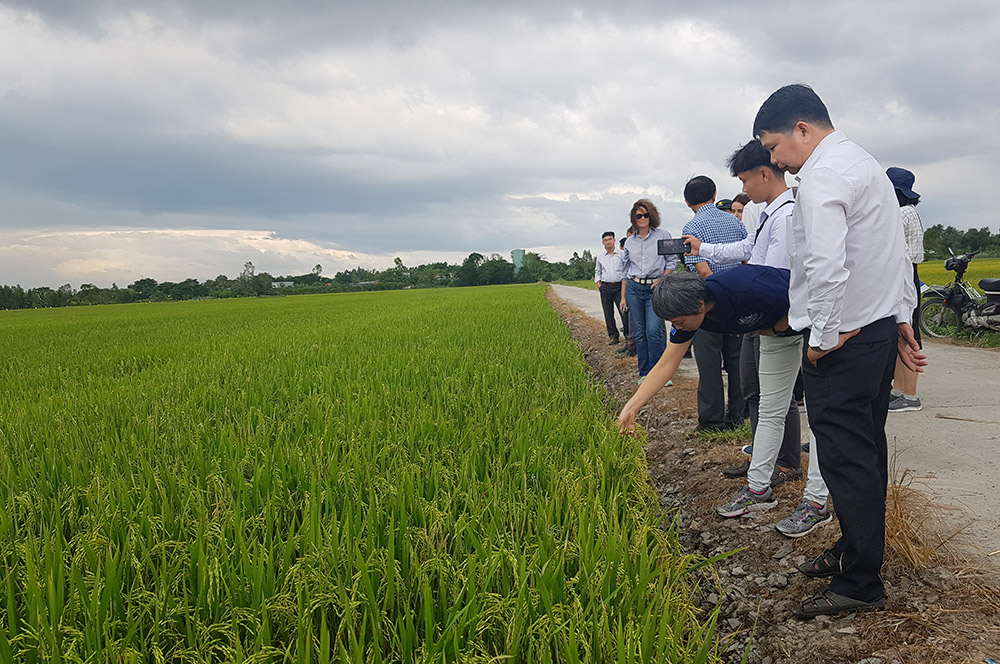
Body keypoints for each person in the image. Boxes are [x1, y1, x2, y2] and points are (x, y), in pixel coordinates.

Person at [753, 84, 924, 619]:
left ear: (802, 130)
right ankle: (857, 549)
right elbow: (893, 253)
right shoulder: (865, 163)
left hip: (843, 343)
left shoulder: (824, 175)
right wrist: (900, 318)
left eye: (775, 146)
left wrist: (823, 340)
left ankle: (860, 584)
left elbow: (826, 267)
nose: (775, 159)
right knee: (864, 451)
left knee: (847, 459)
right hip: (873, 333)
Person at [685, 140, 829, 533]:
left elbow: (778, 280)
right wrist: (706, 248)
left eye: (746, 179)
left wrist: (756, 317)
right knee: (770, 406)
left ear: (765, 174)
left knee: (815, 413)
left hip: (792, 322)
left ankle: (816, 499)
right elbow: (750, 249)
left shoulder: (786, 217)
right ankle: (758, 487)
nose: (744, 189)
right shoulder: (770, 213)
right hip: (774, 323)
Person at [617, 266, 797, 440]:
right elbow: (665, 365)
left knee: (801, 403)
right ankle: (775, 463)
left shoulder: (744, 288)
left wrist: (779, 327)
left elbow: (803, 299)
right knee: (764, 400)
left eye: (679, 321)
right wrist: (631, 408)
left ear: (700, 304)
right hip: (777, 336)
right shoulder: (690, 313)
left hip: (812, 324)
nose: (678, 327)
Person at [682, 176, 748, 431]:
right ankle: (737, 415)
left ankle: (712, 421)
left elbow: (702, 271)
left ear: (687, 201)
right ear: (714, 194)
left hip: (708, 303)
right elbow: (746, 261)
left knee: (709, 363)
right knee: (737, 361)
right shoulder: (735, 221)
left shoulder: (691, 227)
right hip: (739, 299)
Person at [619, 200, 678, 383]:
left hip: (655, 287)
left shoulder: (663, 235)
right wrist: (623, 296)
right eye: (639, 216)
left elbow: (672, 261)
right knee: (640, 332)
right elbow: (625, 270)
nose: (643, 218)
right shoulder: (629, 241)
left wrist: (662, 278)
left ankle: (659, 374)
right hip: (635, 288)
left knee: (654, 330)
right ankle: (644, 373)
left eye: (646, 215)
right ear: (634, 219)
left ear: (651, 216)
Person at [886, 167, 925, 412]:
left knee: (909, 333)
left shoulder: (901, 213)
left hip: (904, 272)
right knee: (902, 333)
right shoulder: (909, 211)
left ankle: (909, 394)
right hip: (905, 271)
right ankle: (899, 390)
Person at [594, 231, 629, 345]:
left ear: (614, 240)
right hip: (605, 287)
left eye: (610, 239)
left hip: (619, 287)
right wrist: (598, 283)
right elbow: (597, 271)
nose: (608, 242)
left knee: (624, 311)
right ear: (603, 242)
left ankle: (628, 336)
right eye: (605, 240)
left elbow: (627, 269)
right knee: (608, 313)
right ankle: (613, 336)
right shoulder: (600, 257)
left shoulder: (622, 254)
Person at [616, 229, 638, 357]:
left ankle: (634, 347)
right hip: (630, 288)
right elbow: (624, 275)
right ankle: (630, 345)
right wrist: (623, 296)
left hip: (644, 288)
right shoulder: (627, 255)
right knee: (628, 318)